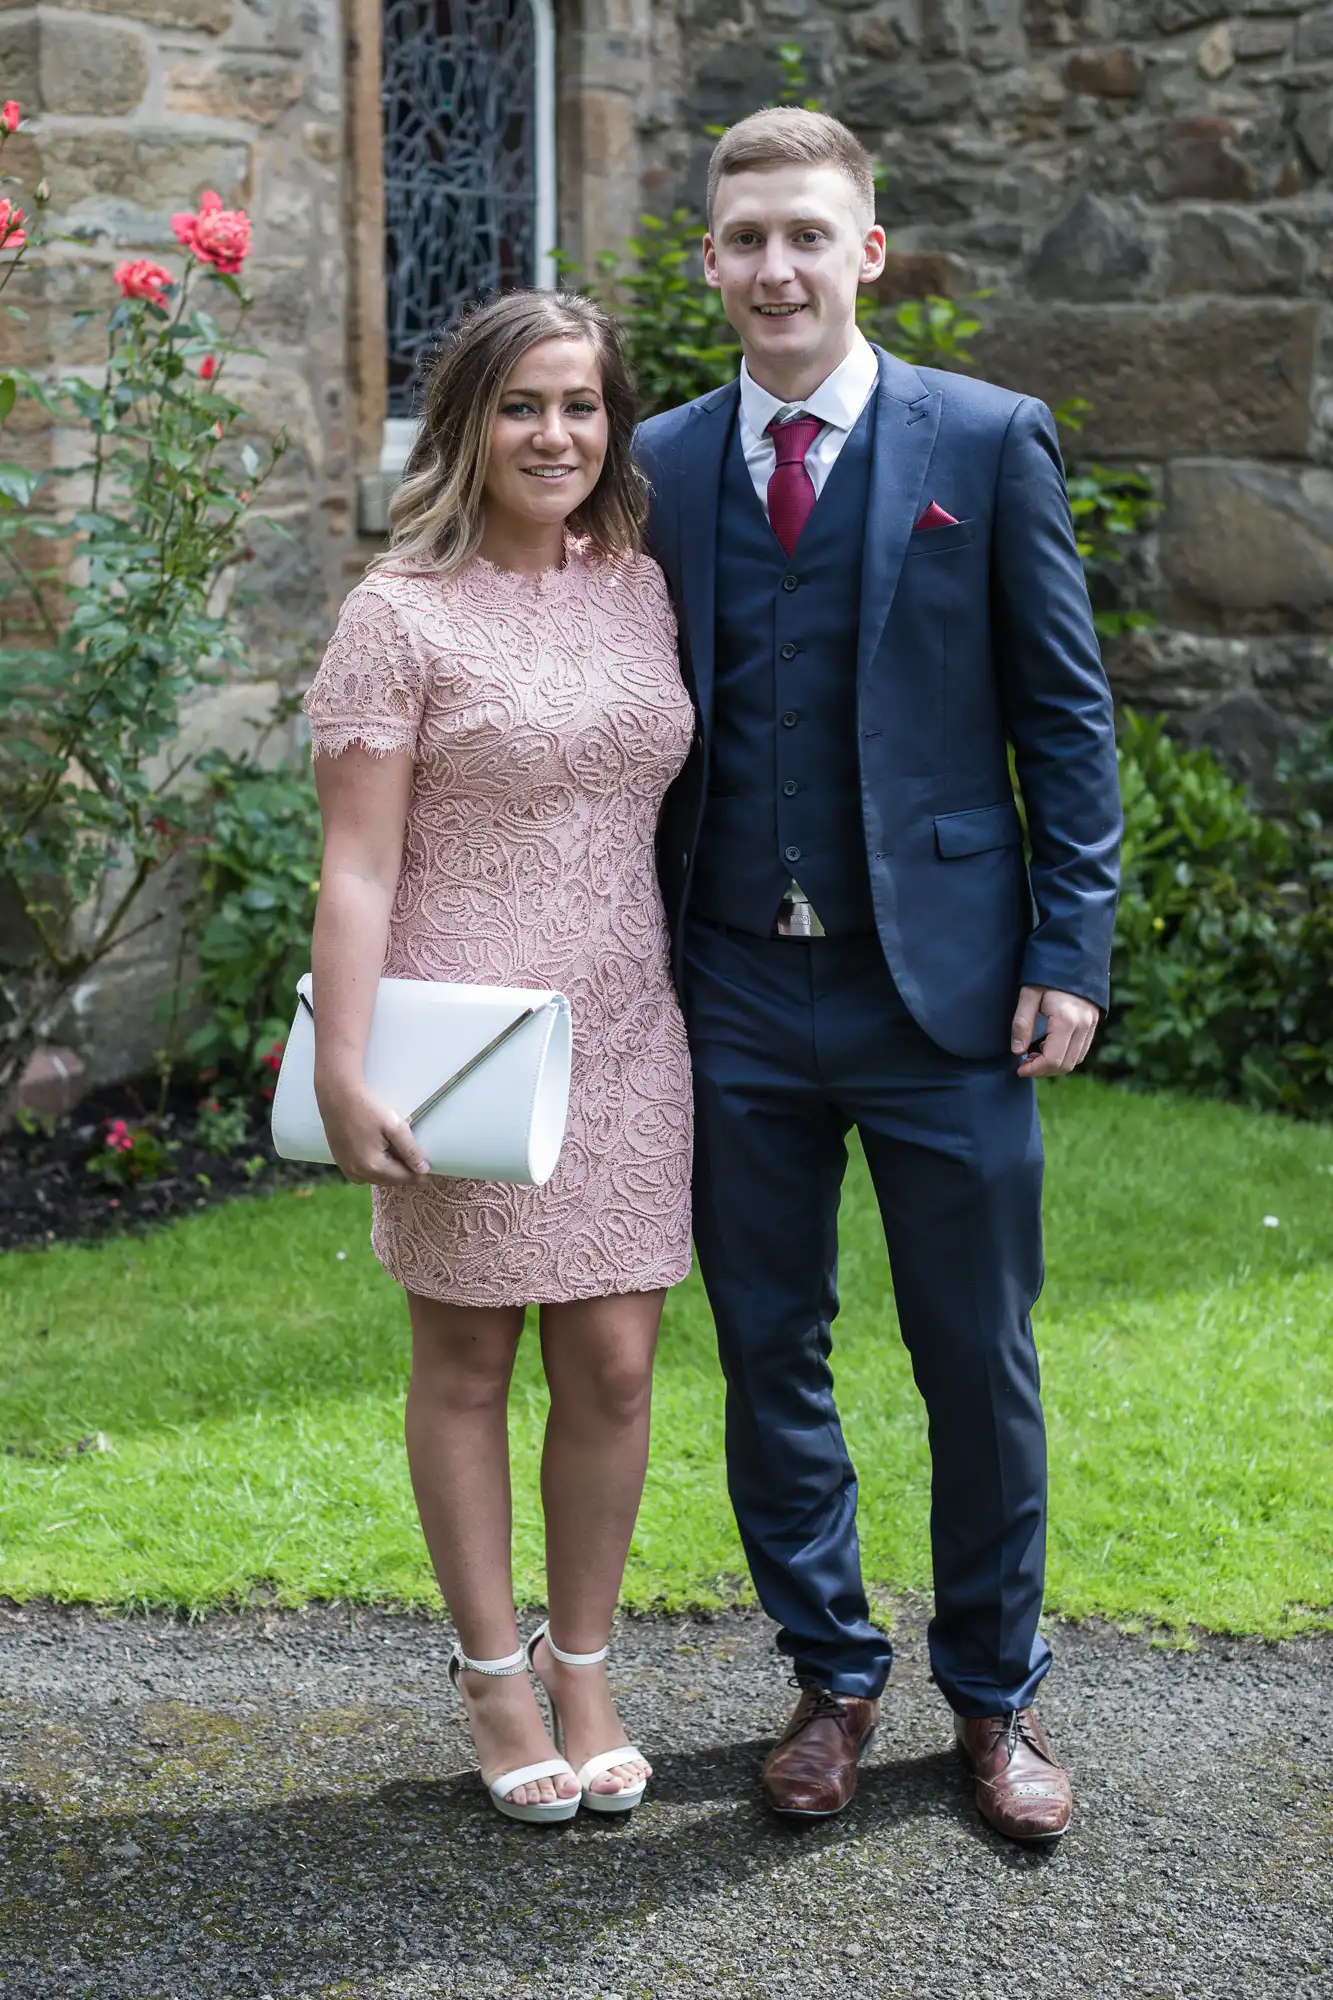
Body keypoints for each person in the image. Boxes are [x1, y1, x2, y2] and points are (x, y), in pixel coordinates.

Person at [636, 107, 1122, 1843]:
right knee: (770, 1348)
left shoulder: (986, 443)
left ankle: (995, 1702)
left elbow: (1063, 713)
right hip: (732, 993)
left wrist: (1071, 941)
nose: (777, 266)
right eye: (746, 236)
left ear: (869, 250)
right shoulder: (665, 459)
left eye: (808, 236)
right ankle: (830, 1674)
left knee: (975, 1354)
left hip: (949, 992)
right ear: (710, 258)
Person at [302, 291, 695, 1824]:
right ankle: (489, 1675)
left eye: (584, 406)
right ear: (466, 423)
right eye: (525, 406)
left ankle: (583, 1660)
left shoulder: (643, 588)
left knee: (614, 1360)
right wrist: (348, 1068)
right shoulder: (398, 612)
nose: (558, 436)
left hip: (628, 1032)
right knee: (465, 1363)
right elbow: (355, 869)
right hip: (459, 1048)